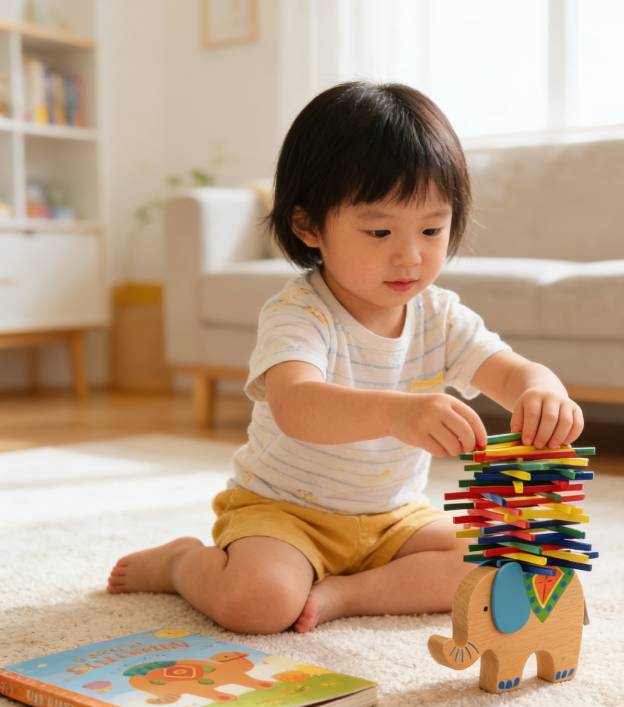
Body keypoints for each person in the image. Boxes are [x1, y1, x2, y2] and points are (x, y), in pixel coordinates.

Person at [107, 81, 584, 634]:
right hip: (285, 513)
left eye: (432, 228)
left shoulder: (440, 315)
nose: (410, 254)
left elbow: (510, 370)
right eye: (380, 230)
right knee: (258, 604)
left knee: (503, 562)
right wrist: (396, 413)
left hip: (395, 521)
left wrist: (542, 391)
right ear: (309, 226)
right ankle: (182, 561)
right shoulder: (299, 313)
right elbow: (296, 406)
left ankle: (346, 595)